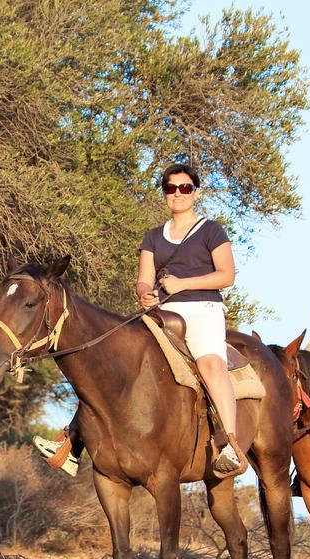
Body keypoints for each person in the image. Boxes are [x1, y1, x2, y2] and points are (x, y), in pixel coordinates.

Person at [33, 163, 244, 479]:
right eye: (171, 188)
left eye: (185, 188)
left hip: (202, 309)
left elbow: (227, 275)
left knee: (211, 364)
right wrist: (146, 294)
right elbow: (143, 280)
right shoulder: (153, 236)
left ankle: (229, 443)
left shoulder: (211, 230)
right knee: (115, 363)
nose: (177, 194)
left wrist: (182, 284)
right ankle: (71, 443)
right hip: (161, 312)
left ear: (195, 192)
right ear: (164, 193)